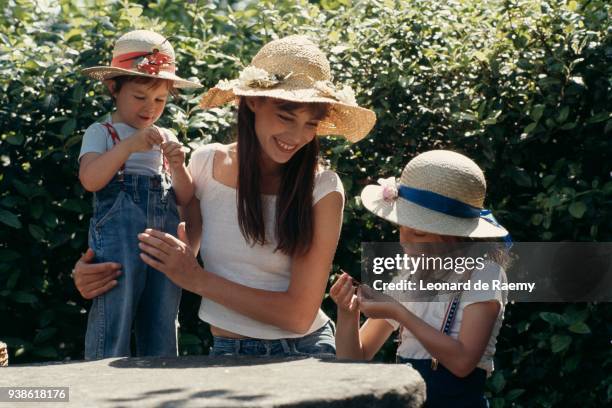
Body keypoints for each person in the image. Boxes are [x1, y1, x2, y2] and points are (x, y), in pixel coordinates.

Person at [75, 35, 376, 357]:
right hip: (225, 351)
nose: (297, 136)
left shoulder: (323, 188)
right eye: (286, 117)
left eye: (310, 125)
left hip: (304, 350)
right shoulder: (204, 163)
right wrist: (96, 271)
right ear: (251, 102)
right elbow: (172, 252)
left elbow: (298, 315)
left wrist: (197, 279)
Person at [330, 150, 510, 407]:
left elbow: (463, 363)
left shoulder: (484, 274)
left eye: (418, 233)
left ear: (455, 236)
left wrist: (401, 313)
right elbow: (354, 361)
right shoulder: (408, 277)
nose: (405, 241)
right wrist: (348, 313)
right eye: (401, 229)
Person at [78, 30, 201, 359]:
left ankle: (158, 381)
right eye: (140, 97)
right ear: (113, 88)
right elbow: (91, 179)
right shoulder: (101, 132)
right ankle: (101, 378)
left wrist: (178, 166)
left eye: (160, 100)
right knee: (116, 304)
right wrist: (129, 145)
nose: (150, 108)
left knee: (162, 311)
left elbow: (185, 196)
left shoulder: (166, 135)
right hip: (119, 236)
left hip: (162, 234)